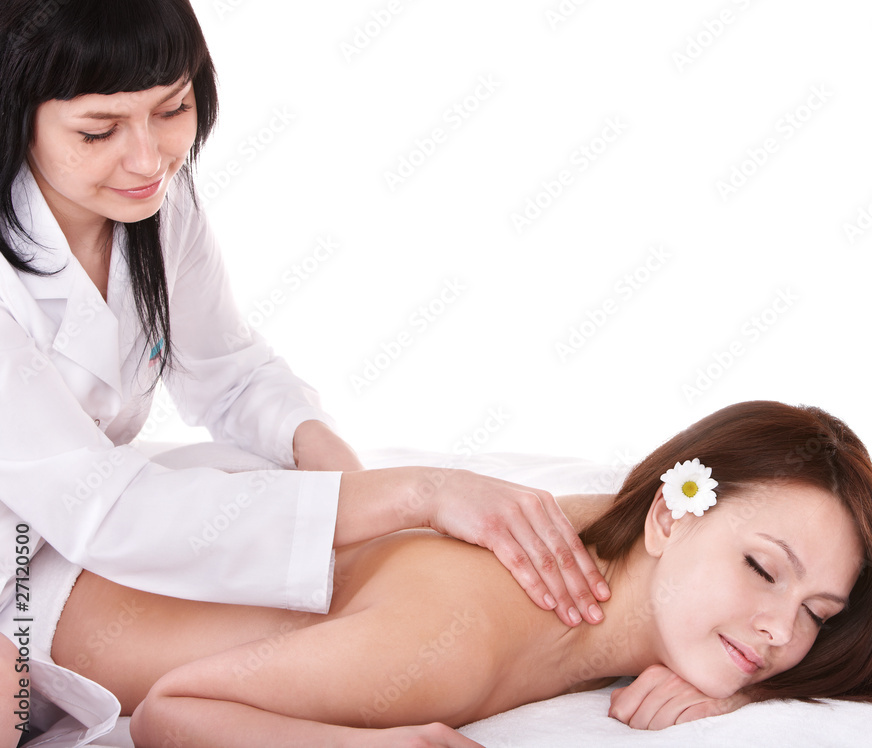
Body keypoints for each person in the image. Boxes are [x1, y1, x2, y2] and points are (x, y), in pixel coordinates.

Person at [0, 1, 609, 743]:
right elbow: (109, 511)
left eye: (173, 110)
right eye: (99, 132)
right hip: (56, 541)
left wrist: (347, 482)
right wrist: (413, 492)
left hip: (57, 540)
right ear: (15, 117)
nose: (149, 159)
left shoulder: (155, 206)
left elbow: (230, 372)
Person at [43, 401, 872, 746]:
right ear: (672, 515)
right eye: (761, 570)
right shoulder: (450, 642)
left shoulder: (619, 526)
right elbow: (174, 713)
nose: (783, 631)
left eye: (818, 611)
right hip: (32, 600)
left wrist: (742, 676)